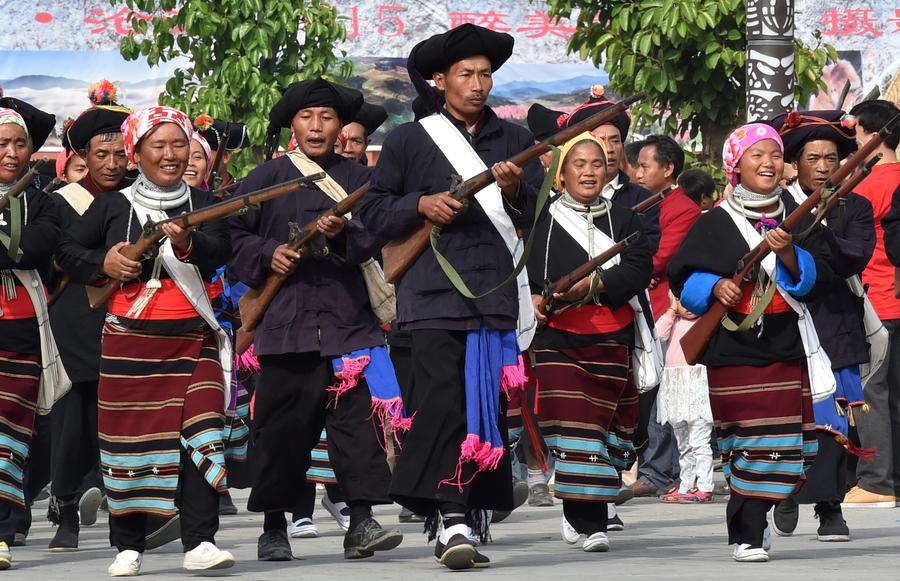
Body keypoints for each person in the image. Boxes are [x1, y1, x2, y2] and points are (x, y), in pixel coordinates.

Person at [358, 23, 543, 570]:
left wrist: (513, 190)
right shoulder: (409, 140)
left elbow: (535, 213)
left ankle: (458, 512)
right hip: (431, 294)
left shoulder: (513, 140)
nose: (479, 83)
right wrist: (422, 205)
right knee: (441, 404)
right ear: (440, 80)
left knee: (482, 409)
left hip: (492, 293)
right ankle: (448, 512)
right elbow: (373, 214)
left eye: (486, 74)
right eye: (467, 74)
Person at [229, 78, 402, 563]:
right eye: (308, 118)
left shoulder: (358, 180)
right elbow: (232, 236)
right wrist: (270, 253)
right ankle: (273, 527)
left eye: (327, 118)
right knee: (282, 432)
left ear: (339, 126)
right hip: (286, 327)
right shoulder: (265, 179)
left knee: (356, 430)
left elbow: (376, 240)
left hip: (349, 324)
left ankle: (362, 520)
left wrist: (345, 232)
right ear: (293, 124)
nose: (318, 126)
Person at [60, 105, 235, 576]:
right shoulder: (113, 205)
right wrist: (107, 263)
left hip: (192, 338)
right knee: (127, 445)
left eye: (179, 143)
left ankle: (200, 540)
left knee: (204, 433)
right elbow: (67, 251)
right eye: (158, 145)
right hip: (129, 343)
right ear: (136, 152)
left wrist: (186, 246)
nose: (171, 154)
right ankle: (128, 544)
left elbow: (221, 248)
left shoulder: (204, 202)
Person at [668, 123, 831, 562]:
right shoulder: (715, 221)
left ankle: (756, 520)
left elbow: (815, 279)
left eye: (775, 155)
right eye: (756, 155)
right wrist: (715, 286)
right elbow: (683, 277)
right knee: (745, 443)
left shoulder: (798, 214)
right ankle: (747, 533)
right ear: (735, 165)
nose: (768, 163)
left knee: (784, 442)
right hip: (732, 350)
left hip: (784, 344)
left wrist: (790, 253)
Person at [528, 133, 651, 551]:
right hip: (558, 339)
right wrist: (533, 296)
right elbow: (523, 269)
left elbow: (638, 269)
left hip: (612, 336)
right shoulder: (540, 220)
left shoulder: (626, 219)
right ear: (561, 174)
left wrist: (594, 283)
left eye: (596, 164)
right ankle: (589, 520)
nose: (588, 171)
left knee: (608, 430)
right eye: (578, 164)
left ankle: (586, 509)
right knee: (575, 427)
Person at [768, 109, 876, 539]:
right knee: (788, 417)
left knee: (834, 422)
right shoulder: (775, 204)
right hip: (785, 322)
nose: (823, 166)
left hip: (837, 321)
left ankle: (831, 508)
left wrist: (818, 223)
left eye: (831, 158)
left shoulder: (857, 206)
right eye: (813, 158)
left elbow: (854, 256)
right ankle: (786, 492)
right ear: (797, 161)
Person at [47, 83, 132, 552]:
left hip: (126, 322)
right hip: (73, 322)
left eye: (121, 153)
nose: (113, 163)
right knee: (70, 424)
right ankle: (65, 510)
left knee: (120, 420)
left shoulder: (140, 198)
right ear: (84, 154)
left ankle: (118, 509)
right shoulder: (60, 203)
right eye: (102, 153)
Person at [0, 95, 67, 571]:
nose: (12, 153)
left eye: (20, 143)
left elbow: (30, 252)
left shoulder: (43, 202)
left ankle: (1, 531)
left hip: (21, 328)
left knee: (12, 432)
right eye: (2, 143)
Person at [633, 135, 700, 498]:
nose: (638, 173)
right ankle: (654, 467)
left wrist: (628, 267)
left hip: (664, 310)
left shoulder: (683, 208)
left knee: (661, 395)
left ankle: (659, 471)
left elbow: (657, 259)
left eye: (645, 166)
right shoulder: (642, 201)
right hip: (642, 303)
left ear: (668, 169)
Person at [842, 100, 900, 508]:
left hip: (877, 301)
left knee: (871, 392)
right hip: (891, 299)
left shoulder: (867, 187)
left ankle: (877, 482)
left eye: (855, 134)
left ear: (869, 135)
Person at [656, 293, 714, 504]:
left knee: (699, 441)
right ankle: (686, 484)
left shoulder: (705, 321)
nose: (688, 307)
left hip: (697, 386)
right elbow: (659, 334)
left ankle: (705, 486)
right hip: (676, 388)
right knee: (683, 443)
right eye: (682, 301)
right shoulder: (674, 321)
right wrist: (672, 309)